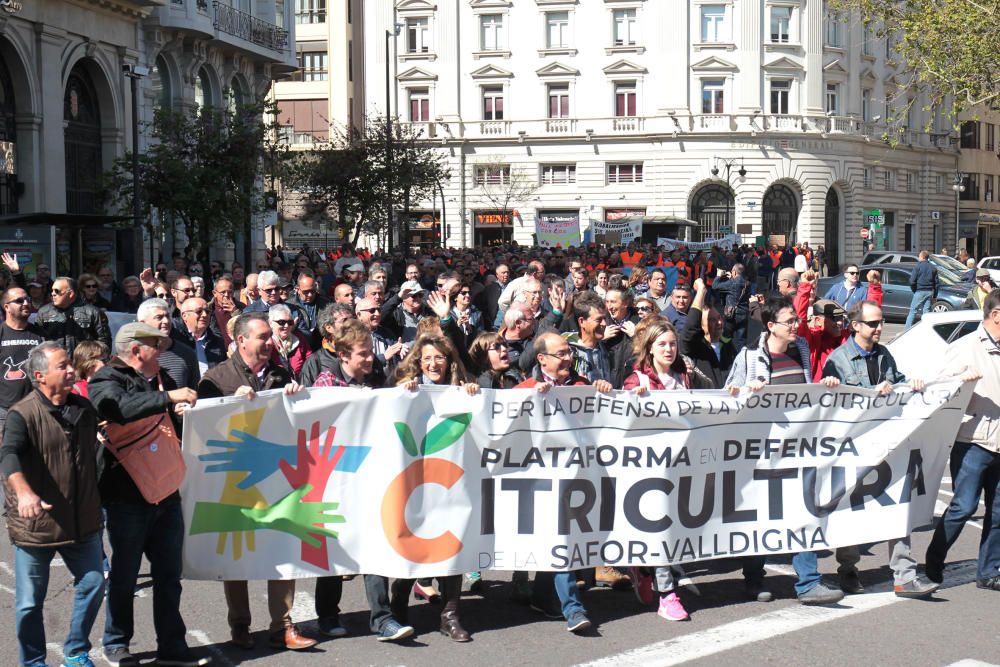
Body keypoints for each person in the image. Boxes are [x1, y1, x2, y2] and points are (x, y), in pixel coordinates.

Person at [196, 313, 317, 652]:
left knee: (282, 545)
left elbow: (294, 422)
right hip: (234, 480)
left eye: (270, 337)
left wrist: (297, 395)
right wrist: (230, 404)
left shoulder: (280, 373)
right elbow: (202, 432)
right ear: (241, 341)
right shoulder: (217, 378)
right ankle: (240, 625)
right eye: (262, 337)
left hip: (276, 477)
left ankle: (283, 624)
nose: (270, 342)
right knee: (237, 555)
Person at [88, 323, 206, 667]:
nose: (163, 353)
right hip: (127, 496)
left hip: (165, 491)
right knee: (124, 575)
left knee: (168, 576)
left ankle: (172, 645)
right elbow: (116, 408)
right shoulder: (106, 378)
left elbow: (165, 417)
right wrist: (168, 398)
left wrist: (178, 411)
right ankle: (116, 643)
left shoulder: (160, 379)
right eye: (157, 346)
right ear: (136, 349)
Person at [725, 296, 844, 605]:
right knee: (761, 516)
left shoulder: (801, 349)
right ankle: (753, 579)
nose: (796, 325)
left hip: (799, 448)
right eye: (789, 321)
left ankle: (808, 582)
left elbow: (808, 392)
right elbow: (729, 398)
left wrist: (825, 384)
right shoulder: (750, 357)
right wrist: (748, 394)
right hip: (761, 451)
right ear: (770, 325)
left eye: (796, 320)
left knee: (803, 511)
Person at [821, 300, 940, 598]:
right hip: (854, 449)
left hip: (888, 447)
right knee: (851, 510)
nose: (879, 328)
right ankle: (847, 569)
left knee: (896, 506)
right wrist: (865, 393)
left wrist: (909, 385)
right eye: (873, 323)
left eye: (881, 322)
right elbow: (833, 405)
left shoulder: (885, 355)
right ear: (856, 325)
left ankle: (904, 574)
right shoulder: (838, 360)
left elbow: (897, 382)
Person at [305, 320, 414, 642]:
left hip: (370, 477)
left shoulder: (375, 379)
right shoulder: (325, 385)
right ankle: (327, 615)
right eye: (363, 354)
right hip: (334, 480)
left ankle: (382, 618)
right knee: (335, 548)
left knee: (373, 544)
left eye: (371, 353)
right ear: (343, 355)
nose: (370, 359)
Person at [1, 341, 105, 667]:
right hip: (37, 525)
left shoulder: (85, 410)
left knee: (93, 583)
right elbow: (8, 456)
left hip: (82, 520)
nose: (71, 369)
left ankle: (75, 651)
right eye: (62, 366)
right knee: (30, 603)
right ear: (39, 376)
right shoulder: (23, 414)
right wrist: (25, 492)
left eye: (69, 364)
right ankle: (33, 662)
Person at [515, 331, 612, 633]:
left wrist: (605, 392)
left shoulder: (582, 387)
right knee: (560, 541)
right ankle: (573, 608)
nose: (569, 358)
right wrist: (529, 399)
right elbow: (501, 420)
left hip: (579, 481)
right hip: (541, 485)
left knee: (562, 542)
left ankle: (542, 596)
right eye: (561, 354)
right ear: (541, 358)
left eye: (570, 352)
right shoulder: (527, 388)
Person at [623, 318, 713, 621]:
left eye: (672, 343)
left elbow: (714, 401)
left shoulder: (685, 377)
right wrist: (630, 403)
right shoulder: (638, 380)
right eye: (661, 343)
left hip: (682, 466)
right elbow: (622, 425)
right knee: (660, 529)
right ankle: (667, 594)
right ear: (649, 348)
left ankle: (643, 566)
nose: (669, 349)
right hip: (650, 470)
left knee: (674, 528)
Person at [391, 334, 479, 642]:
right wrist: (401, 394)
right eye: (427, 358)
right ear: (418, 361)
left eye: (439, 357)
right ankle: (398, 604)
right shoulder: (406, 389)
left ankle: (450, 615)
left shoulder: (462, 390)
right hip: (414, 481)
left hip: (452, 481)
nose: (433, 363)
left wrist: (472, 394)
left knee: (451, 541)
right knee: (412, 542)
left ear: (449, 361)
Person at [924, 291, 998, 592]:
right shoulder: (966, 347)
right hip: (974, 440)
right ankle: (934, 558)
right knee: (964, 507)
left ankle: (989, 571)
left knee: (997, 512)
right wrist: (963, 383)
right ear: (996, 315)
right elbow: (939, 389)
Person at [0, 287, 46, 436]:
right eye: (19, 301)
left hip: (36, 409)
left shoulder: (39, 334)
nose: (26, 303)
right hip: (4, 412)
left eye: (27, 300)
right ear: (6, 307)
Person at [681, 279, 736, 387]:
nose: (719, 322)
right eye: (712, 320)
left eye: (719, 318)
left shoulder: (728, 345)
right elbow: (690, 327)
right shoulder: (694, 347)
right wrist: (701, 291)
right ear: (700, 325)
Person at [37, 277, 111, 356]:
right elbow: (38, 341)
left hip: (83, 364)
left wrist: (92, 362)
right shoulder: (43, 312)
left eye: (57, 291)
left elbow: (104, 343)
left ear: (71, 293)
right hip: (55, 364)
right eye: (51, 290)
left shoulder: (93, 312)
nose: (53, 293)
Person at [175, 297, 226, 374]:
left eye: (207, 311)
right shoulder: (177, 340)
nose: (205, 315)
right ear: (184, 316)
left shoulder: (217, 342)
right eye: (199, 311)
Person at [268, 303, 312, 380]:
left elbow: (310, 362)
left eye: (290, 322)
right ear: (270, 323)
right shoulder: (267, 343)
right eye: (281, 322)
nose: (286, 326)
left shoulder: (300, 338)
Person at [904, 250, 938, 329]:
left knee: (913, 311)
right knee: (926, 312)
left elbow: (912, 281)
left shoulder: (917, 267)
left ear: (922, 257)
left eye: (919, 256)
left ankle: (906, 330)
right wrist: (935, 296)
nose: (918, 258)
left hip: (919, 291)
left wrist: (914, 290)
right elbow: (936, 284)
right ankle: (927, 329)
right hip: (929, 291)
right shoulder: (933, 267)